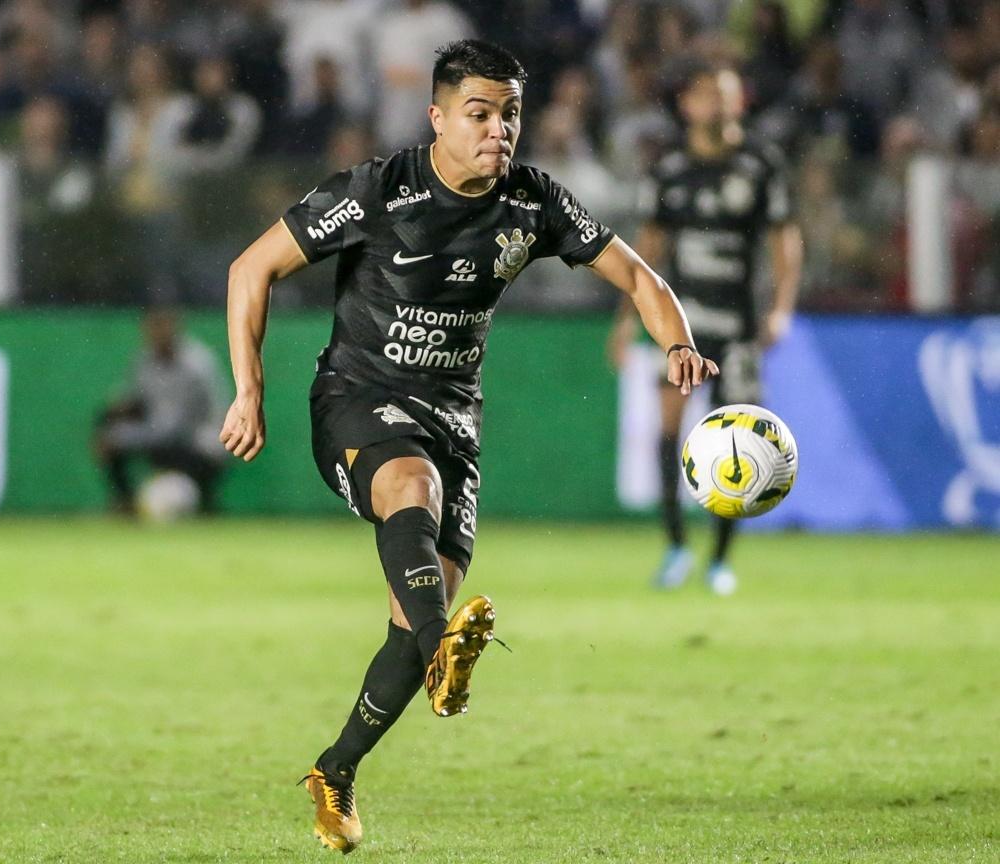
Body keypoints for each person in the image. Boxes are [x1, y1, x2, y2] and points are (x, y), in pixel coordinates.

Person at [220, 39, 718, 854]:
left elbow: (637, 277)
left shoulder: (533, 201)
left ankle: (335, 770)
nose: (498, 131)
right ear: (439, 118)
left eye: (510, 115)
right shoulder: (377, 191)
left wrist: (677, 343)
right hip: (358, 402)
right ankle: (443, 651)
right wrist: (250, 389)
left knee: (411, 620)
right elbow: (252, 267)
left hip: (454, 421)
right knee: (408, 489)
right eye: (480, 115)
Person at [608, 62, 803, 596]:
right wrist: (626, 319)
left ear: (741, 102)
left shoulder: (761, 164)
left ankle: (720, 559)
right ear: (688, 105)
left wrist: (781, 306)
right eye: (706, 95)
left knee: (741, 442)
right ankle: (675, 547)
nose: (716, 104)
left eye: (725, 95)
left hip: (738, 329)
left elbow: (785, 240)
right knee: (668, 430)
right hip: (680, 330)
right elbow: (647, 250)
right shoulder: (669, 169)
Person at [95, 308, 228, 514]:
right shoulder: (145, 361)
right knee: (108, 430)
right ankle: (125, 505)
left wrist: (125, 437)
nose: (157, 332)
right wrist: (115, 416)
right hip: (163, 438)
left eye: (162, 325)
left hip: (198, 443)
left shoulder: (196, 364)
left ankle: (205, 506)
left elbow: (173, 427)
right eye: (153, 327)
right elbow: (136, 400)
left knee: (121, 439)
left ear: (174, 327)